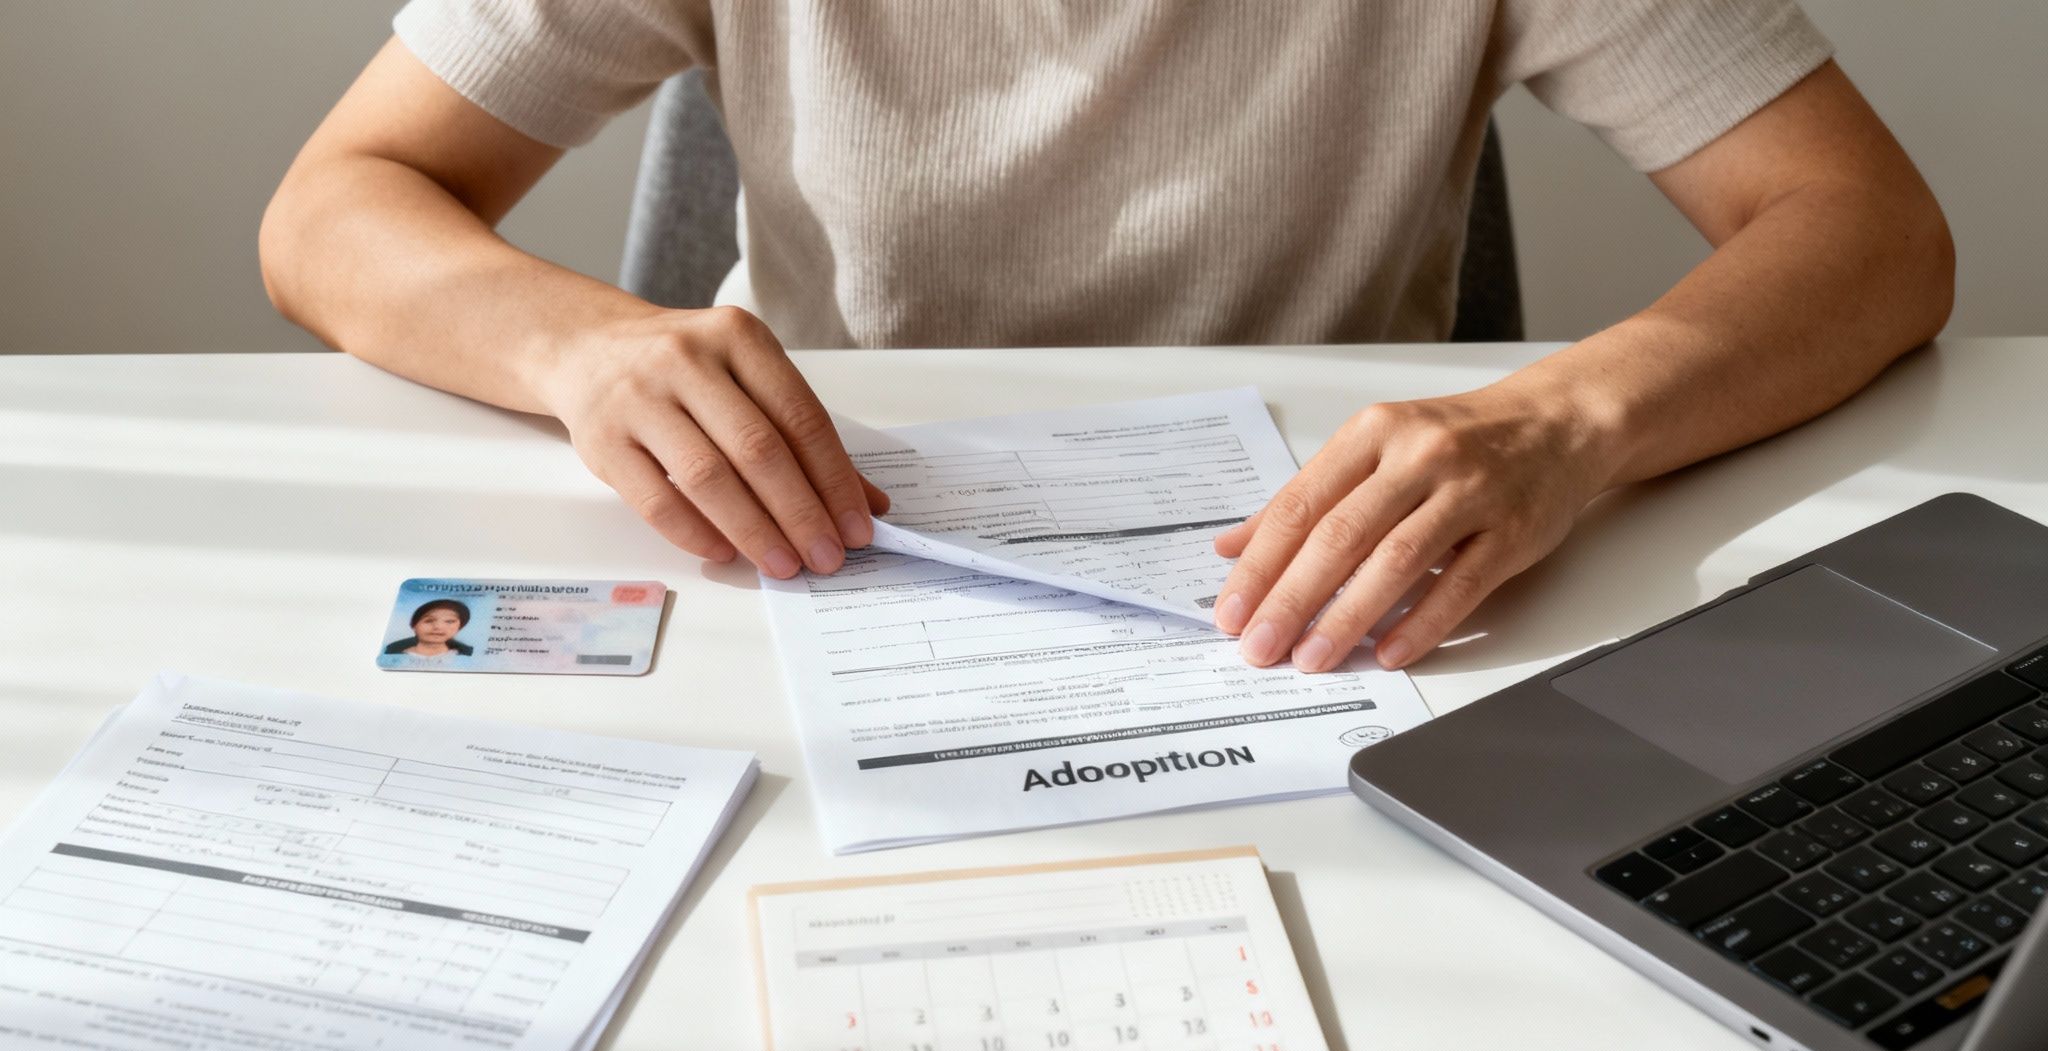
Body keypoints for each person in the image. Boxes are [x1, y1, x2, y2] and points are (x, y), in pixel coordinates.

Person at [261, 2, 1953, 674]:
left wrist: (1570, 419)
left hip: (1322, 588)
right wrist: (581, 351)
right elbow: (337, 202)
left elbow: (1864, 232)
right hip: (821, 559)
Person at [384, 599, 475, 658]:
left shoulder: (466, 656)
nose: (438, 627)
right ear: (414, 625)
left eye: (449, 621)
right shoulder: (393, 655)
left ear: (459, 627)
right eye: (429, 621)